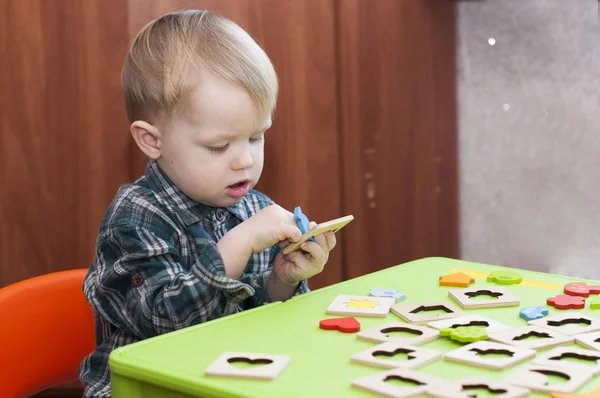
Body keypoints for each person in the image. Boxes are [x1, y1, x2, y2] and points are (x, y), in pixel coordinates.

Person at [79, 10, 336, 397]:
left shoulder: (252, 208)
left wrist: (283, 279)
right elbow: (167, 324)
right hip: (148, 389)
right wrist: (238, 243)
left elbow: (255, 318)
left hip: (228, 381)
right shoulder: (135, 217)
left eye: (256, 137)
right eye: (219, 146)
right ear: (152, 141)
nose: (245, 160)